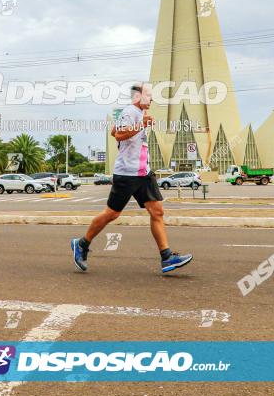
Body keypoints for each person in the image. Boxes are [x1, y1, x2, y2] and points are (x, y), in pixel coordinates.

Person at [71, 83, 193, 274]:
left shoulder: (137, 113)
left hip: (144, 172)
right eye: (148, 96)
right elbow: (119, 135)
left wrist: (140, 124)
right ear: (138, 97)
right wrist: (141, 125)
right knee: (112, 214)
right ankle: (81, 244)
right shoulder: (130, 112)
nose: (151, 99)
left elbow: (113, 131)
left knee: (157, 212)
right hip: (127, 174)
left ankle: (166, 257)